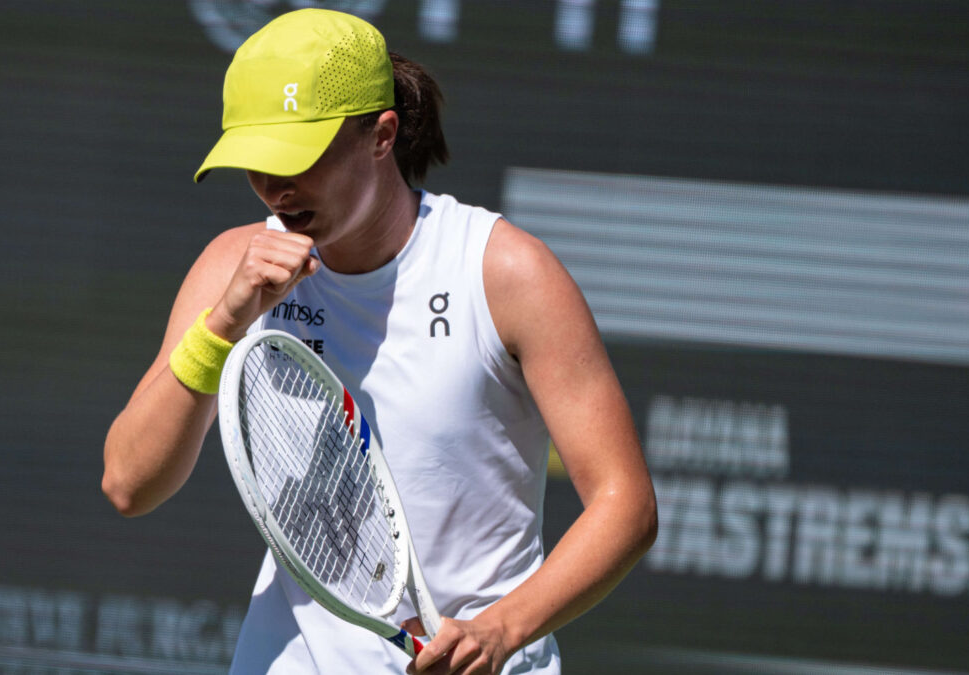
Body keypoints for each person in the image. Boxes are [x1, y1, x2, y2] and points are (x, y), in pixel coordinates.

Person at [102, 9, 656, 675]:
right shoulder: (233, 267)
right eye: (256, 161)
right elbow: (129, 482)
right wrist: (222, 322)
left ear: (381, 135)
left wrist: (501, 628)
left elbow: (626, 503)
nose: (277, 185)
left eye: (299, 156)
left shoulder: (504, 271)